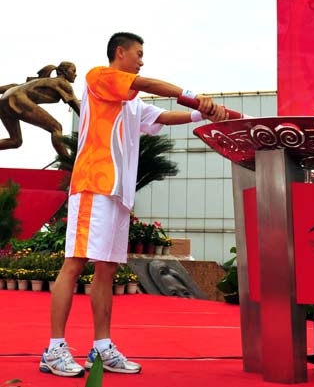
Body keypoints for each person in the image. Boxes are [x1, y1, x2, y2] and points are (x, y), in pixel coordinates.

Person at [39, 32, 228, 378]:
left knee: (107, 270)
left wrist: (203, 114)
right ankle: (53, 348)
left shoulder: (131, 103)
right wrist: (191, 97)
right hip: (93, 186)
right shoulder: (99, 78)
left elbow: (160, 118)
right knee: (75, 263)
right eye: (138, 53)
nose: (141, 60)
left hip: (118, 195)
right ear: (120, 52)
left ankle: (102, 347)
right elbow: (147, 83)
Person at [0, 62, 80, 157]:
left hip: (4, 100)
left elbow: (15, 85)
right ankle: (66, 164)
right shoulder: (63, 83)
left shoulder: (44, 80)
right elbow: (78, 107)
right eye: (73, 71)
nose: (75, 74)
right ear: (64, 72)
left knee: (15, 141)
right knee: (56, 128)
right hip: (17, 98)